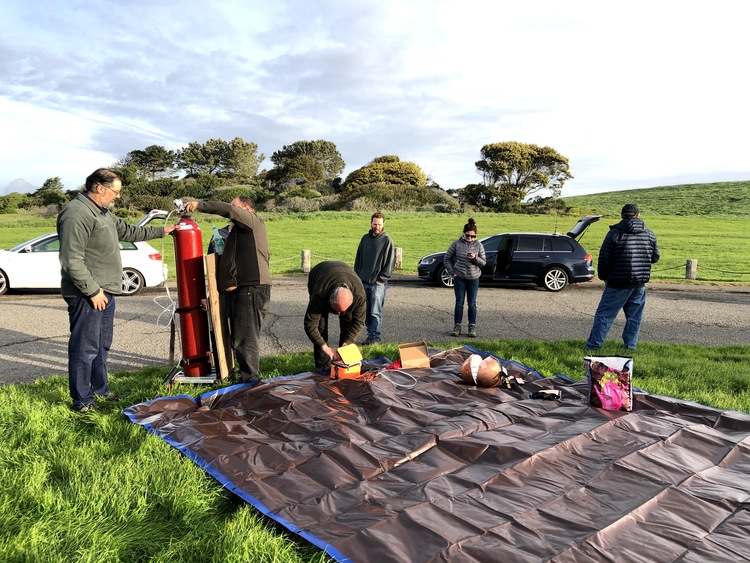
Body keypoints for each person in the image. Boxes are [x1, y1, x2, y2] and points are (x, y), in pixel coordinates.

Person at [57, 168, 178, 412]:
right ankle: (82, 402)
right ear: (100, 188)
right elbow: (71, 260)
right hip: (88, 295)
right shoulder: (76, 214)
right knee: (84, 349)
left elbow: (129, 231)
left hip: (106, 291)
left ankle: (100, 391)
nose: (118, 196)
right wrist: (92, 292)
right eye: (116, 191)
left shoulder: (103, 213)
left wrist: (163, 230)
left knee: (101, 346)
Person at [184, 197, 271, 383]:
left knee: (245, 337)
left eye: (235, 206)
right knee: (239, 336)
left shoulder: (251, 221)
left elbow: (228, 210)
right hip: (242, 289)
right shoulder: (238, 232)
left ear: (247, 208)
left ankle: (250, 381)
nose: (232, 209)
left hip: (251, 289)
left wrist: (199, 205)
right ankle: (245, 377)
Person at [585, 203, 660, 351]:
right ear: (638, 215)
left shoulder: (614, 234)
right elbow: (655, 257)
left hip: (617, 283)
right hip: (639, 283)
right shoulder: (649, 234)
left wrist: (604, 277)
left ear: (622, 215)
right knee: (634, 317)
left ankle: (594, 346)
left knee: (605, 316)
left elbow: (604, 258)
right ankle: (630, 345)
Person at [304, 261, 366, 370]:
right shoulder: (320, 293)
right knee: (320, 326)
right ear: (329, 301)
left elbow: (358, 322)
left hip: (346, 275)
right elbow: (310, 325)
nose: (339, 314)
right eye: (336, 310)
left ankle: (344, 364)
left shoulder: (359, 295)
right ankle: (322, 368)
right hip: (319, 274)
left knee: (348, 324)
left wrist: (346, 344)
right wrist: (325, 348)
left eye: (342, 311)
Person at [354, 212, 395, 346]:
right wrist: (357, 275)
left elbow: (390, 262)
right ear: (370, 223)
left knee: (375, 312)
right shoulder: (365, 239)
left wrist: (382, 278)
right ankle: (370, 335)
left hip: (378, 283)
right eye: (374, 224)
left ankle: (375, 338)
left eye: (379, 224)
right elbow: (358, 258)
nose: (376, 227)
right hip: (363, 281)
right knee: (365, 311)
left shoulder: (387, 240)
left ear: (383, 224)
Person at [444, 218, 486, 338]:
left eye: (473, 237)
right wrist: (452, 272)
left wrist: (474, 258)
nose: (470, 239)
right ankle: (457, 326)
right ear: (464, 234)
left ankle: (472, 327)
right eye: (468, 236)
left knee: (472, 303)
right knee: (459, 303)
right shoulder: (456, 244)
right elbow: (447, 259)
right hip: (459, 277)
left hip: (474, 278)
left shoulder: (479, 245)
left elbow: (483, 263)